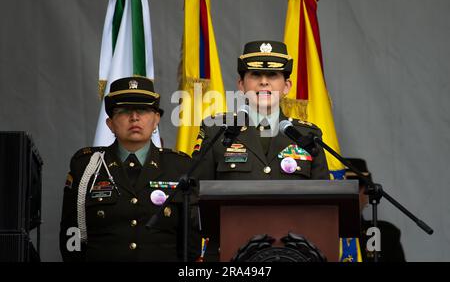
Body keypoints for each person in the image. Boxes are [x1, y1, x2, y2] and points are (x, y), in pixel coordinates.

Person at [192, 41, 330, 260]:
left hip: (295, 254)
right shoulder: (216, 131)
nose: (264, 82)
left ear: (287, 86)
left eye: (273, 76)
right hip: (230, 253)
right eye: (255, 75)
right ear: (241, 84)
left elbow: (325, 204)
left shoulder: (306, 136)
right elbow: (194, 197)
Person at [60, 77, 200, 262]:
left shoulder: (180, 167)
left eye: (143, 109)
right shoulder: (86, 167)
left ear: (156, 119)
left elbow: (192, 241)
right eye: (125, 111)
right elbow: (72, 237)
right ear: (110, 123)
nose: (134, 117)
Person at [344, 158, 406, 262]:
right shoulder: (319, 234)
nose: (349, 194)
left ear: (367, 192)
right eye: (342, 187)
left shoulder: (386, 235)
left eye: (356, 186)